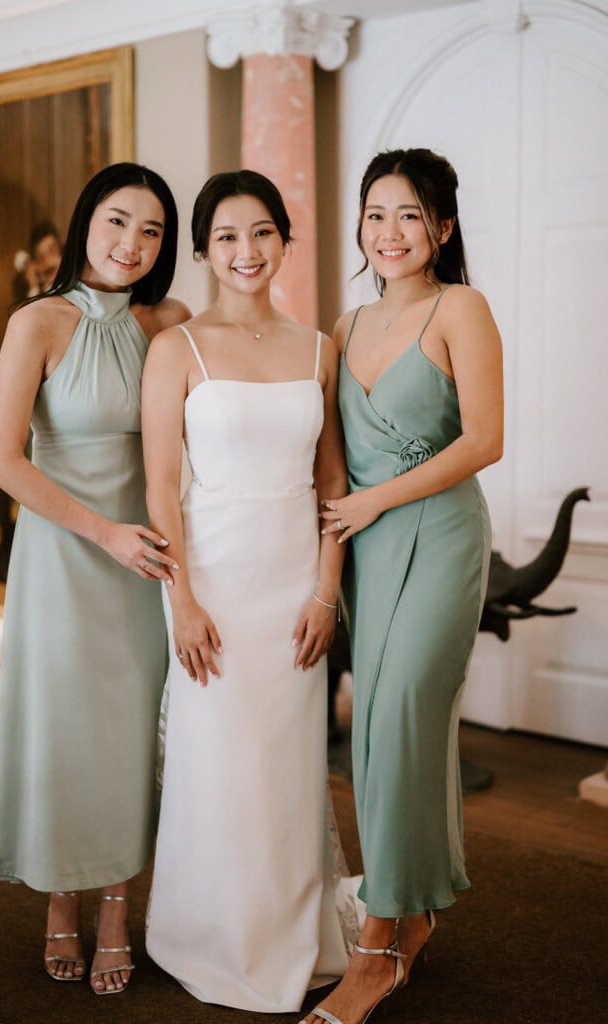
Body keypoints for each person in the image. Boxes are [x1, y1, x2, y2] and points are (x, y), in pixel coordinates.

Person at [142, 170, 358, 1013]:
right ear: (203, 250)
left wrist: (324, 592)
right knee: (219, 765)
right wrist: (181, 601)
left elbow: (330, 479)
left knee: (288, 768)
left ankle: (291, 933)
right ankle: (208, 935)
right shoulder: (178, 350)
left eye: (262, 232)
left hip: (293, 587)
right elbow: (163, 490)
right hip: (214, 585)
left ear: (284, 242)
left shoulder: (316, 348)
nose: (246, 251)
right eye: (227, 236)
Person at [306, 148, 504, 1024]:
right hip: (369, 551)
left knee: (400, 720)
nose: (389, 232)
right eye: (376, 213)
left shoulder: (461, 307)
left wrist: (372, 501)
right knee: (379, 738)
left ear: (443, 229)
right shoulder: (344, 329)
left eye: (410, 215)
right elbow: (330, 462)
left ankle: (378, 945)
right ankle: (414, 905)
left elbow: (483, 441)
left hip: (440, 532)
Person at [0, 162, 190, 996]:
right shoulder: (39, 321)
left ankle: (115, 907)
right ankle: (60, 900)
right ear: (84, 222)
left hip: (147, 559)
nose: (131, 244)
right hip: (68, 558)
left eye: (151, 230)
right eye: (116, 221)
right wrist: (103, 531)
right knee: (69, 727)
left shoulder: (168, 322)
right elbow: (3, 460)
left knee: (131, 731)